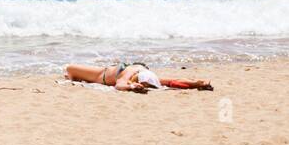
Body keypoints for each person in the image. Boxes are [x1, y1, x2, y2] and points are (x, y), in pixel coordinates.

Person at [64, 61, 213, 92]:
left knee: (70, 68)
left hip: (101, 74)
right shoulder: (135, 72)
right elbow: (173, 81)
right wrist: (195, 83)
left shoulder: (131, 72)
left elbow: (119, 85)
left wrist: (130, 86)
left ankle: (70, 76)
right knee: (69, 70)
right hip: (106, 72)